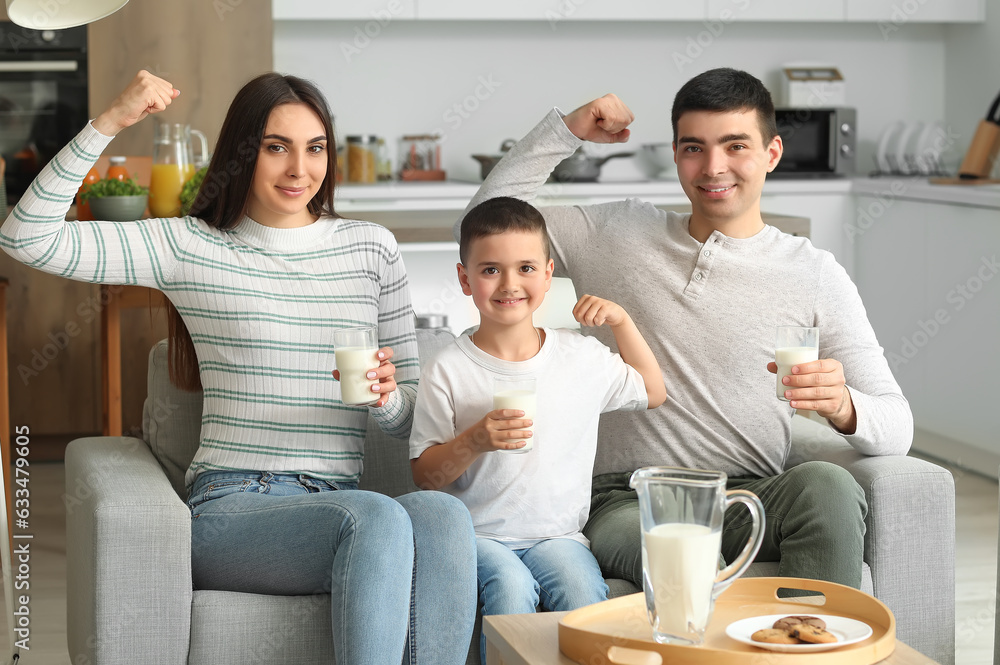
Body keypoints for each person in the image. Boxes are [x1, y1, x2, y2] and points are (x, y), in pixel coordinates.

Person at [1, 70, 476, 665]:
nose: (299, 169)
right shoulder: (189, 246)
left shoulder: (371, 248)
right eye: (276, 148)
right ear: (243, 153)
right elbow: (26, 237)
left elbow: (406, 416)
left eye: (315, 148)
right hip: (234, 506)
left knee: (442, 515)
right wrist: (114, 120)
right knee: (376, 516)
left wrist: (386, 399)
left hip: (336, 498)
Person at [454, 68, 913, 591]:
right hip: (628, 499)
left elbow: (898, 425)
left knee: (827, 485)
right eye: (694, 147)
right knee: (686, 558)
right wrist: (567, 131)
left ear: (772, 153)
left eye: (735, 145)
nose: (714, 167)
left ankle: (809, 643)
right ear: (675, 153)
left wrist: (844, 405)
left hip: (750, 494)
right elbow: (480, 226)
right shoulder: (618, 232)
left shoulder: (815, 274)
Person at [410, 195, 666, 663]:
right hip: (478, 536)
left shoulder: (580, 358)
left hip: (559, 536)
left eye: (526, 268)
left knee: (582, 596)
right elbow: (425, 477)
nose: (510, 284)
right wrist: (475, 440)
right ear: (465, 279)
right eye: (490, 270)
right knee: (510, 589)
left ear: (549, 274)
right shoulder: (447, 369)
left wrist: (623, 322)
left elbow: (653, 391)